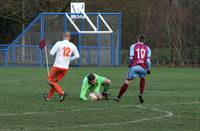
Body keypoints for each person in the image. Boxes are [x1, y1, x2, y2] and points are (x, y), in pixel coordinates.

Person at [43, 31, 80, 102]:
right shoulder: (72, 45)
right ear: (69, 37)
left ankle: (61, 93)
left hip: (57, 66)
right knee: (54, 82)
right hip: (65, 68)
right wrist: (69, 59)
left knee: (49, 81)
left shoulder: (59, 43)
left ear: (63, 36)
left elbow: (51, 53)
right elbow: (77, 56)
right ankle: (48, 97)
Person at [114, 34, 151, 103]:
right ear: (144, 40)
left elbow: (131, 57)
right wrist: (148, 69)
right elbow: (148, 61)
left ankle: (118, 97)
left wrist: (130, 64)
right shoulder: (147, 48)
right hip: (143, 67)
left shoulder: (133, 46)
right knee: (143, 79)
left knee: (127, 81)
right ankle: (141, 93)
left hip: (134, 67)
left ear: (138, 39)